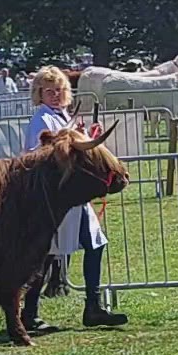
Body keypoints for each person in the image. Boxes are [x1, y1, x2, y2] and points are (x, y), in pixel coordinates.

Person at [18, 66, 130, 332]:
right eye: (49, 91)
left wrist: (88, 137)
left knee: (95, 244)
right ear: (39, 94)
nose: (55, 95)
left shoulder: (61, 116)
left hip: (74, 197)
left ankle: (93, 306)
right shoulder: (41, 120)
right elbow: (41, 155)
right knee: (44, 255)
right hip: (54, 199)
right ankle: (29, 314)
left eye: (59, 90)